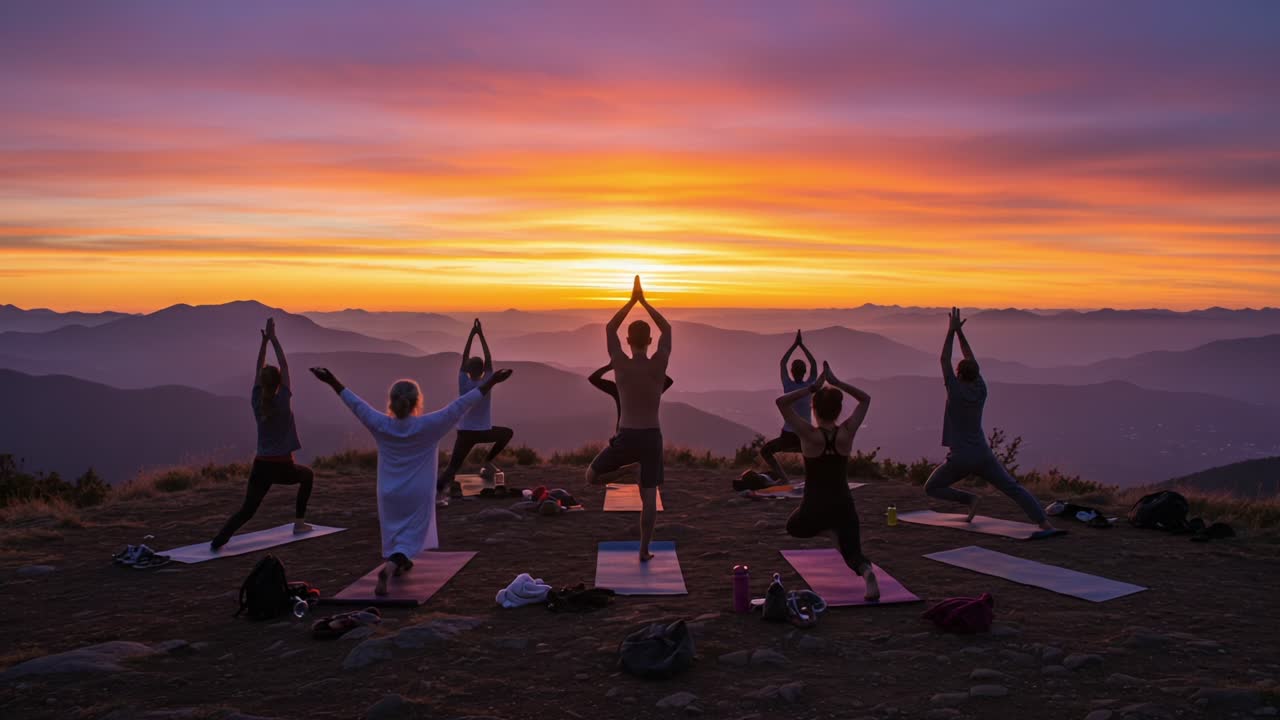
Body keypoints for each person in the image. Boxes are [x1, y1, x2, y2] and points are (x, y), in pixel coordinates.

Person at [311, 364, 513, 596]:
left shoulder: (380, 424)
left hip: (388, 492)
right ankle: (391, 566)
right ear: (417, 402)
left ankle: (401, 562)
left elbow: (356, 405)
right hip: (418, 490)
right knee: (413, 533)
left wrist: (331, 380)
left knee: (396, 532)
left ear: (392, 402)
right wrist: (492, 381)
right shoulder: (429, 425)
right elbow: (461, 405)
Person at [924, 308, 1060, 536]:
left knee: (932, 487)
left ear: (958, 374)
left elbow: (944, 359)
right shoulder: (981, 388)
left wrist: (950, 332)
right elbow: (970, 359)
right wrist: (960, 334)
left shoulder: (955, 391)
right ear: (976, 374)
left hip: (960, 458)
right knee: (1012, 488)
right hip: (983, 454)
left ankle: (969, 499)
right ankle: (1045, 524)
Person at [776, 361, 880, 601]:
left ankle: (828, 530)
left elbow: (781, 403)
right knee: (853, 553)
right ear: (838, 410)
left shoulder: (810, 435)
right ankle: (867, 573)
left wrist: (811, 387)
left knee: (793, 526)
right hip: (844, 504)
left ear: (814, 409)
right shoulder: (846, 432)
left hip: (813, 507)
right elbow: (865, 400)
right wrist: (837, 383)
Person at [585, 276, 672, 561]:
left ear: (627, 341)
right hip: (651, 436)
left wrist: (631, 301)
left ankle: (627, 471)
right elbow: (667, 328)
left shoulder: (619, 363)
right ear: (649, 341)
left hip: (626, 436)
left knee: (592, 476)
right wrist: (644, 302)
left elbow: (610, 326)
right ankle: (644, 550)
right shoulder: (659, 363)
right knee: (649, 497)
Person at [211, 318, 314, 551]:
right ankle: (299, 523)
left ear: (262, 383)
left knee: (248, 510)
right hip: (283, 467)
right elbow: (284, 365)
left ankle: (220, 539)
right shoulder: (283, 400)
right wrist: (274, 338)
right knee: (308, 476)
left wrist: (264, 343)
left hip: (260, 467)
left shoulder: (256, 399)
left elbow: (258, 367)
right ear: (279, 383)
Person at [438, 319, 515, 498]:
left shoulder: (463, 381)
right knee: (506, 433)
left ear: (467, 369)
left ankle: (436, 489)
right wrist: (481, 334)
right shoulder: (487, 380)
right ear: (482, 369)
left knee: (452, 467)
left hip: (465, 432)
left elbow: (464, 358)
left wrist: (472, 334)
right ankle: (487, 461)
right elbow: (488, 358)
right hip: (484, 431)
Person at [760, 329, 818, 483]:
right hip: (806, 434)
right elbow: (813, 363)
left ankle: (784, 478)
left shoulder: (788, 385)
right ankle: (813, 480)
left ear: (791, 372)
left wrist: (795, 345)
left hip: (788, 435)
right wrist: (802, 346)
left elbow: (783, 362)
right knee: (812, 455)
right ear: (805, 371)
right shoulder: (810, 384)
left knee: (765, 451)